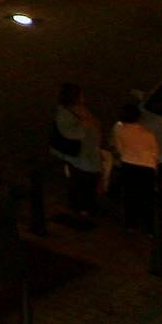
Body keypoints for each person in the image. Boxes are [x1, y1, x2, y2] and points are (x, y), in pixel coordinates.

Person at [48, 81, 102, 220]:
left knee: (86, 181)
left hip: (89, 154)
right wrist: (85, 125)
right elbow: (72, 133)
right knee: (84, 182)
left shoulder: (79, 108)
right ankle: (83, 208)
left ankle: (84, 206)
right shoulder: (64, 114)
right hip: (81, 156)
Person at [111, 93, 162, 233]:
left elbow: (119, 147)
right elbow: (155, 152)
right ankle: (149, 227)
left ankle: (130, 224)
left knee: (129, 195)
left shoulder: (118, 128)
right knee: (146, 198)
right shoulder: (147, 134)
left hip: (128, 164)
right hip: (146, 167)